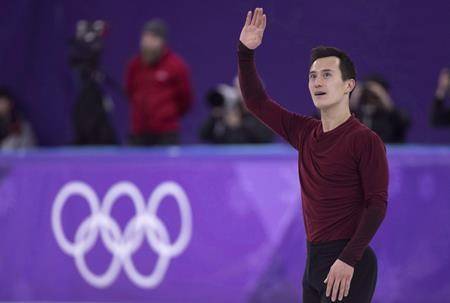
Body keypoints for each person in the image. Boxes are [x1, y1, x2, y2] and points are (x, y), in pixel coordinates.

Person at [238, 8, 388, 302]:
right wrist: (245, 52)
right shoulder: (305, 132)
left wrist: (348, 259)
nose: (317, 82)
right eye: (313, 76)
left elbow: (376, 205)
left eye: (327, 75)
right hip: (314, 262)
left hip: (349, 262)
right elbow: (256, 102)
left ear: (348, 86)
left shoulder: (365, 140)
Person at [125, 19, 194, 146]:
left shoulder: (176, 65)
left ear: (162, 41)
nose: (147, 43)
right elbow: (129, 92)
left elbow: (185, 99)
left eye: (152, 39)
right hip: (139, 134)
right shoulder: (134, 65)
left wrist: (166, 116)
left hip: (166, 135)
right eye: (145, 38)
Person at [200, 79, 274, 144]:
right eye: (237, 88)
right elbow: (203, 135)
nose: (240, 93)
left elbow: (266, 138)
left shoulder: (263, 114)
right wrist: (214, 117)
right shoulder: (226, 110)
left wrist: (240, 124)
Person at [349, 75, 410, 143]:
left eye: (374, 96)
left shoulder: (390, 116)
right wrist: (352, 99)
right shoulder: (356, 114)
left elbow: (404, 122)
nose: (370, 98)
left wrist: (383, 97)